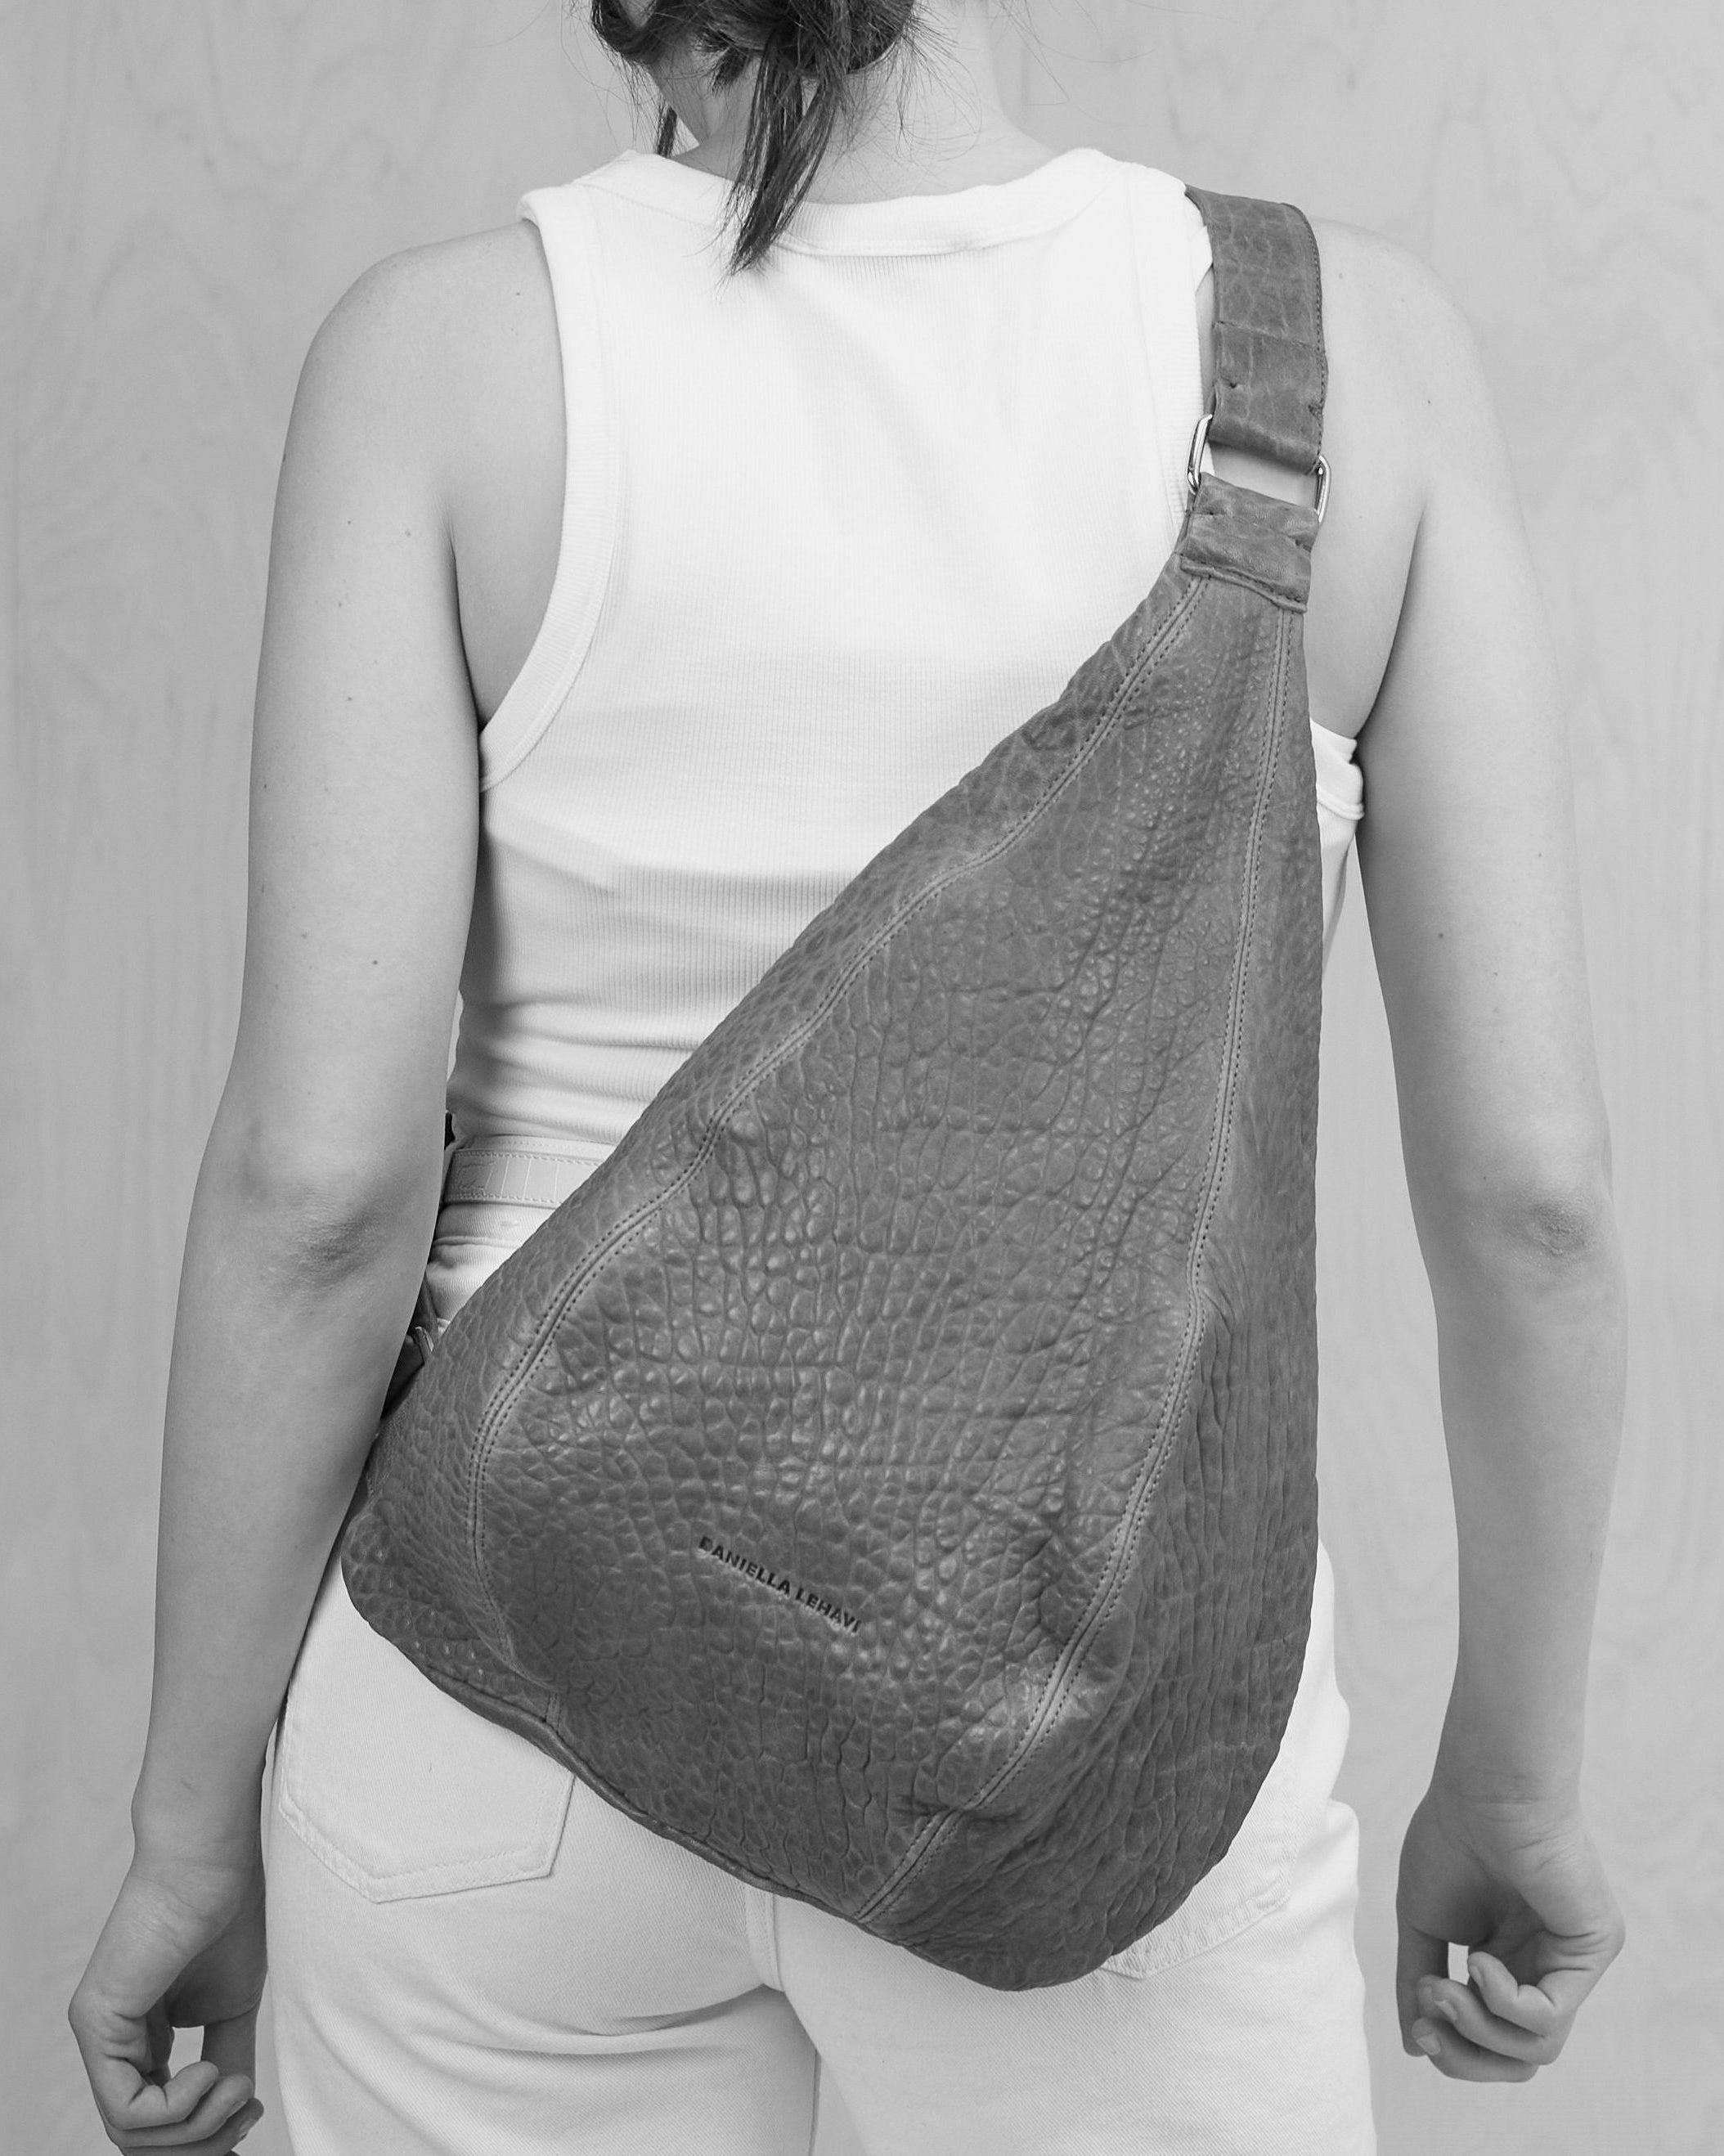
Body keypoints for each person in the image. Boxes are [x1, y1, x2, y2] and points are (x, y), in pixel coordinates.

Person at [69, 0, 1629, 2147]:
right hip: (1087, 1737)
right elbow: (1532, 1205)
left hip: (503, 1685)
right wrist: (1514, 1782)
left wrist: (187, 1827)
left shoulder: (447, 362)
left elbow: (320, 1192)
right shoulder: (1350, 359)